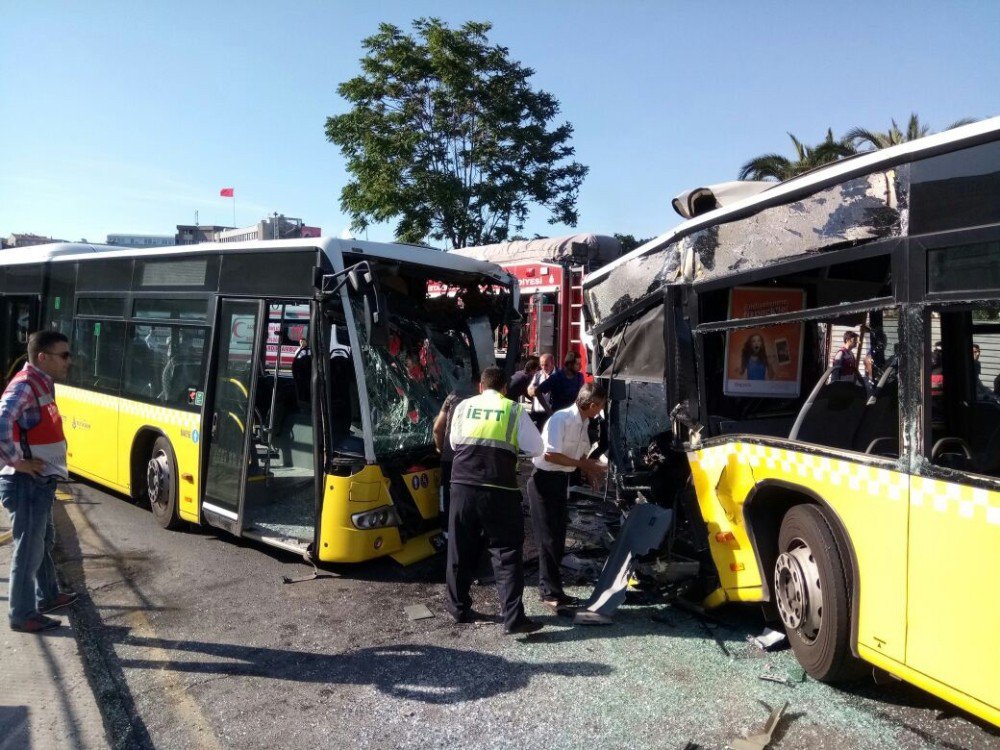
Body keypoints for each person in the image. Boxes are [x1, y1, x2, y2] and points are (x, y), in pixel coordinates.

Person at [446, 366, 544, 634]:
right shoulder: (513, 410)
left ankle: (458, 608)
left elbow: (455, 443)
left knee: (459, 547)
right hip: (499, 489)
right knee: (507, 552)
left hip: (462, 486)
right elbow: (537, 448)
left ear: (481, 386)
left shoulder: (463, 407)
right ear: (504, 389)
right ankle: (513, 618)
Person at [1, 331, 77, 633]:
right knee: (29, 549)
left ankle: (48, 595)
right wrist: (16, 461)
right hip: (26, 483)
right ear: (43, 357)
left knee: (42, 541)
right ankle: (22, 614)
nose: (68, 362)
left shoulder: (41, 384)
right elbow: (2, 419)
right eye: (64, 355)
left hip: (39, 481)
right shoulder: (26, 386)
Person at [528, 381, 608, 613]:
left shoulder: (584, 423)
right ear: (592, 404)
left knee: (558, 536)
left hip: (560, 481)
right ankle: (549, 593)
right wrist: (584, 465)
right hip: (543, 481)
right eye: (600, 406)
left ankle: (555, 591)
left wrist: (587, 471)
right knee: (548, 539)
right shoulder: (560, 419)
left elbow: (578, 454)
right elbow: (551, 455)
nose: (600, 410)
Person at [432, 377, 477, 530]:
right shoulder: (483, 400)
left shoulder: (453, 396)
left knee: (447, 496)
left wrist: (440, 449)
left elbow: (438, 428)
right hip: (474, 459)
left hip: (450, 457)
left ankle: (446, 531)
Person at [527, 353, 555, 428]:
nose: (543, 367)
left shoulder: (558, 376)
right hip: (537, 413)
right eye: (542, 365)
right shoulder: (538, 375)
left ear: (552, 364)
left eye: (546, 365)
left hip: (552, 413)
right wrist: (534, 391)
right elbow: (529, 390)